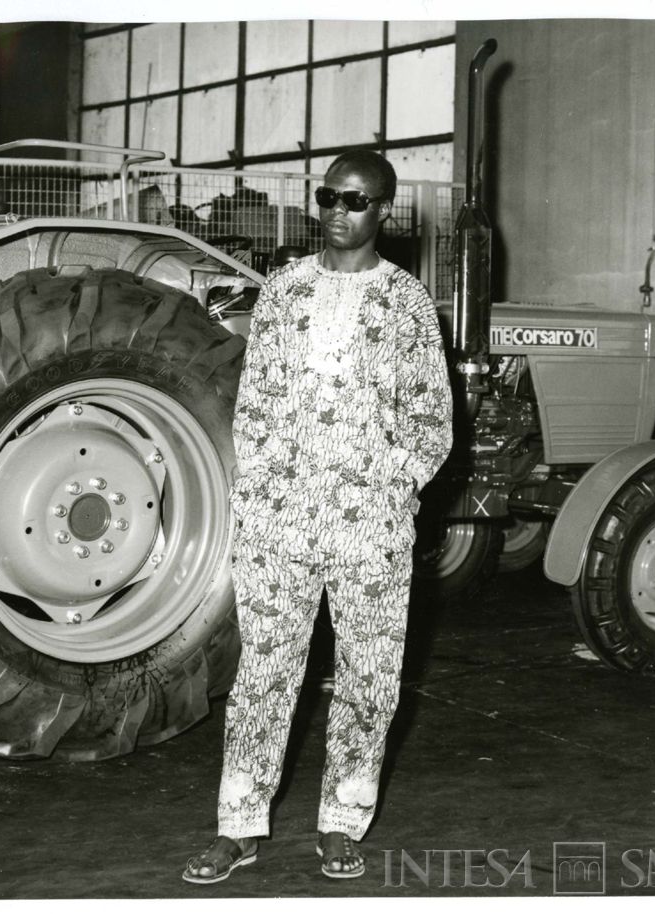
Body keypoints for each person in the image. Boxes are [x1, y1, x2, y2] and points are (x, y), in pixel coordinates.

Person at [182, 150, 453, 884]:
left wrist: (392, 488)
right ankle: (237, 826)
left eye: (356, 200)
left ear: (384, 212)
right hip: (281, 526)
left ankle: (341, 822)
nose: (337, 211)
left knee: (369, 678)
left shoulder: (407, 303)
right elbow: (256, 406)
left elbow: (433, 421)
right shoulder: (283, 294)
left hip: (372, 529)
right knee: (265, 674)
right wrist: (267, 495)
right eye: (328, 197)